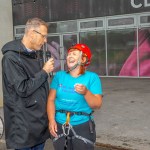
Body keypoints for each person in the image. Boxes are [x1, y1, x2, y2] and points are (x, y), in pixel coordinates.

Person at [1, 18, 54, 150]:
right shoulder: (11, 58)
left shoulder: (35, 55)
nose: (45, 40)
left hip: (38, 124)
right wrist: (44, 71)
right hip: (24, 127)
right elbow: (22, 88)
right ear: (31, 33)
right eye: (43, 36)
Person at [47, 43, 103, 150]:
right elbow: (51, 99)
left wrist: (86, 92)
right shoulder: (59, 76)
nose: (69, 56)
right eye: (69, 54)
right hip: (59, 124)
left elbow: (97, 104)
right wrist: (51, 120)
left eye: (74, 54)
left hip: (82, 125)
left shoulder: (92, 77)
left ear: (83, 59)